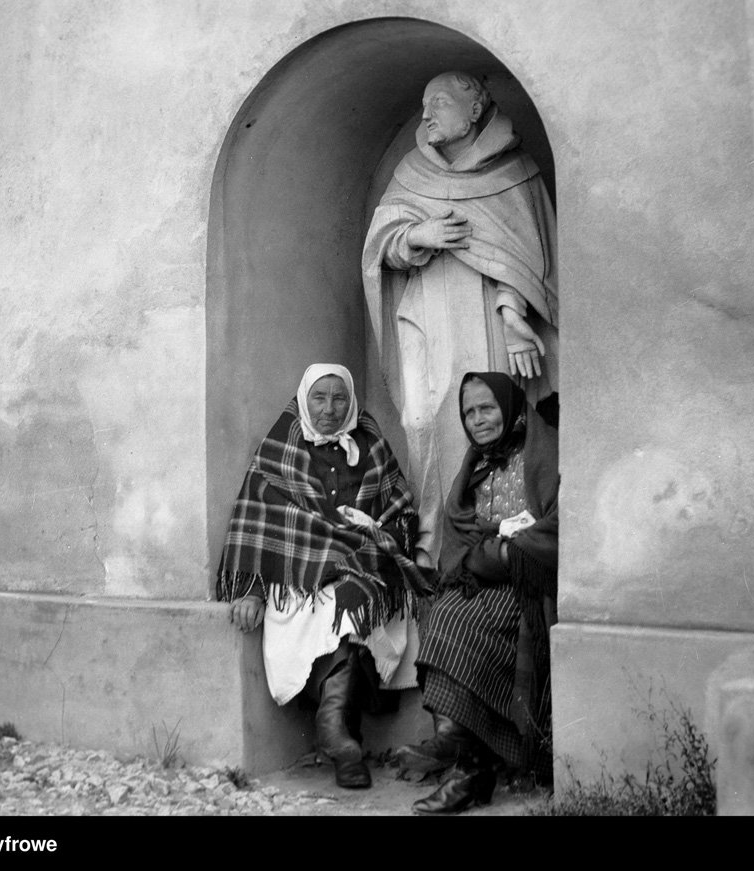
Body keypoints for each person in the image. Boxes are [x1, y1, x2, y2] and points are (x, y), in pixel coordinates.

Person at [362, 71, 559, 563]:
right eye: (424, 104)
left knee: (488, 417)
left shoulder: (515, 170)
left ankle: (488, 533)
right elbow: (381, 246)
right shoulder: (411, 172)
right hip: (427, 310)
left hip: (485, 315)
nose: (426, 114)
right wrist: (414, 237)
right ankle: (432, 538)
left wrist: (514, 317)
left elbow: (527, 256)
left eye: (440, 103)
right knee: (423, 419)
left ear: (474, 112)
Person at [217, 364, 433, 789]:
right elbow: (260, 526)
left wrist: (372, 534)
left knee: (353, 603)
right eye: (320, 398)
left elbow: (402, 512)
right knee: (337, 610)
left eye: (339, 399)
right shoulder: (279, 449)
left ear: (350, 402)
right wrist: (254, 591)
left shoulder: (370, 445)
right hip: (303, 578)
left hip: (364, 568)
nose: (330, 409)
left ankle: (336, 735)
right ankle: (341, 738)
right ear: (303, 400)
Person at [399, 371, 559, 815]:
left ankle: (464, 762)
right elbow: (460, 531)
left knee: (456, 618)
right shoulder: (477, 464)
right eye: (469, 412)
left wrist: (503, 554)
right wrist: (485, 554)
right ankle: (468, 762)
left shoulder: (543, 453)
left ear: (508, 408)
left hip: (525, 587)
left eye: (487, 408)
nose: (477, 420)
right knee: (441, 608)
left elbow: (557, 525)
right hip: (483, 579)